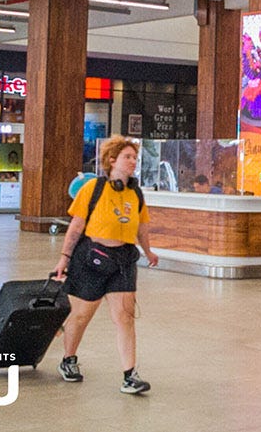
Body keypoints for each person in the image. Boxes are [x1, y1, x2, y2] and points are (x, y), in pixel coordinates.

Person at [52, 135, 160, 395]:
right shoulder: (93, 189)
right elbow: (76, 227)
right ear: (112, 160)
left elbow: (142, 227)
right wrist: (64, 258)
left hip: (123, 260)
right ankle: (68, 359)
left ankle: (129, 375)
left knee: (125, 318)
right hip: (90, 258)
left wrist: (147, 251)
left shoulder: (136, 193)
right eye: (127, 157)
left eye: (135, 157)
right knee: (80, 316)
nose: (133, 161)